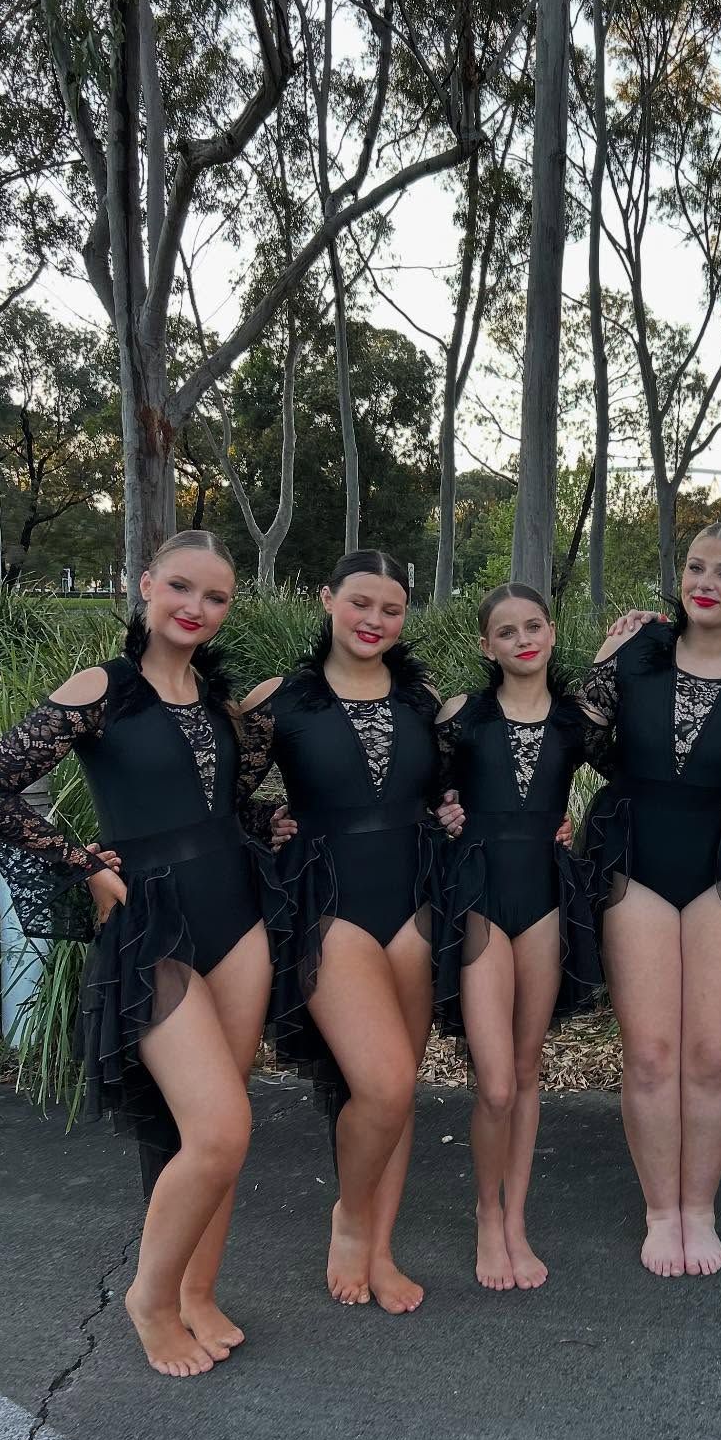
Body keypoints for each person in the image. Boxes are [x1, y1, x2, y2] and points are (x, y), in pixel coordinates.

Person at [0, 531, 287, 1378]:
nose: (195, 608)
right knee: (221, 1131)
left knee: (210, 1127)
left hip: (237, 920)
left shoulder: (220, 705)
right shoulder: (104, 689)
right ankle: (149, 1298)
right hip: (154, 924)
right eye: (181, 588)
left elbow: (224, 805)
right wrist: (82, 864)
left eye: (216, 597)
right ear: (145, 584)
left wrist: (272, 823)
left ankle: (198, 1291)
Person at [576, 522, 721, 1277]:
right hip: (634, 851)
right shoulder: (637, 653)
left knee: (711, 1054)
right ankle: (660, 1210)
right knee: (649, 1054)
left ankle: (699, 1209)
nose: (706, 582)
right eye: (695, 567)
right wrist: (601, 659)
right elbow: (582, 746)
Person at [240, 550, 443, 1314]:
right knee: (382, 1082)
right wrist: (267, 817)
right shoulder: (280, 701)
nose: (374, 621)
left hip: (415, 899)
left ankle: (382, 1248)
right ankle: (350, 1222)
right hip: (330, 901)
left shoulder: (421, 701)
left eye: (391, 610)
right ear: (328, 599)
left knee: (401, 1093)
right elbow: (215, 792)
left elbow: (455, 785)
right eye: (360, 603)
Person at [430, 583, 607, 1291]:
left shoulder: (575, 723)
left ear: (553, 632)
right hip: (478, 896)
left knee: (527, 1073)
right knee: (496, 1085)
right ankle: (483, 1212)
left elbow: (643, 776)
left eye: (533, 626)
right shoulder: (461, 716)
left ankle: (516, 1220)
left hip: (543, 894)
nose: (523, 639)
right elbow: (413, 785)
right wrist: (443, 809)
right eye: (507, 632)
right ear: (486, 646)